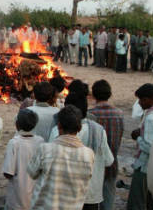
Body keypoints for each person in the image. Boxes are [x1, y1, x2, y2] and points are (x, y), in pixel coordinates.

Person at [48, 81, 114, 209]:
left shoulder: (57, 130)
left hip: (65, 195)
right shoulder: (99, 130)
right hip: (90, 194)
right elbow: (108, 161)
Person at [28, 105, 94, 210]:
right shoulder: (88, 154)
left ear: (58, 126)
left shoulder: (45, 149)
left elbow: (31, 172)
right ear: (79, 128)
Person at [89, 80, 124, 210]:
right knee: (108, 203)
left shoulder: (91, 114)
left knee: (91, 202)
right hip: (112, 164)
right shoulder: (119, 114)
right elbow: (119, 138)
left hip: (93, 165)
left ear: (93, 95)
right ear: (109, 94)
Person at [2, 109, 43, 210]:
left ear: (17, 124)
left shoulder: (14, 143)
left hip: (16, 199)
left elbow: (8, 173)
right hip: (34, 198)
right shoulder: (40, 141)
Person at [127, 83, 153, 209]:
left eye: (142, 100)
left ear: (150, 99)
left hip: (144, 167)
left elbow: (149, 147)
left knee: (137, 202)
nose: (139, 103)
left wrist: (137, 137)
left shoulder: (150, 118)